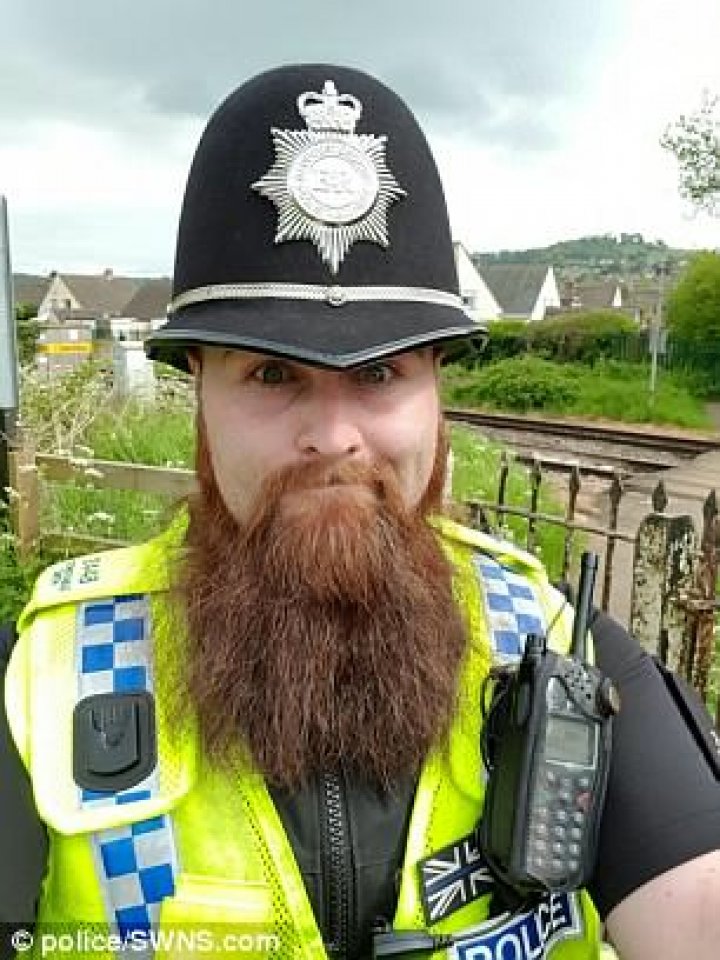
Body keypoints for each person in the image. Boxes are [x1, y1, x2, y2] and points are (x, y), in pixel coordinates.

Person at [2, 63, 720, 960]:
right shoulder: (40, 686)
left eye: (381, 373)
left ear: (436, 393)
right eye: (273, 374)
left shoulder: (569, 656)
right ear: (199, 394)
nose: (335, 436)